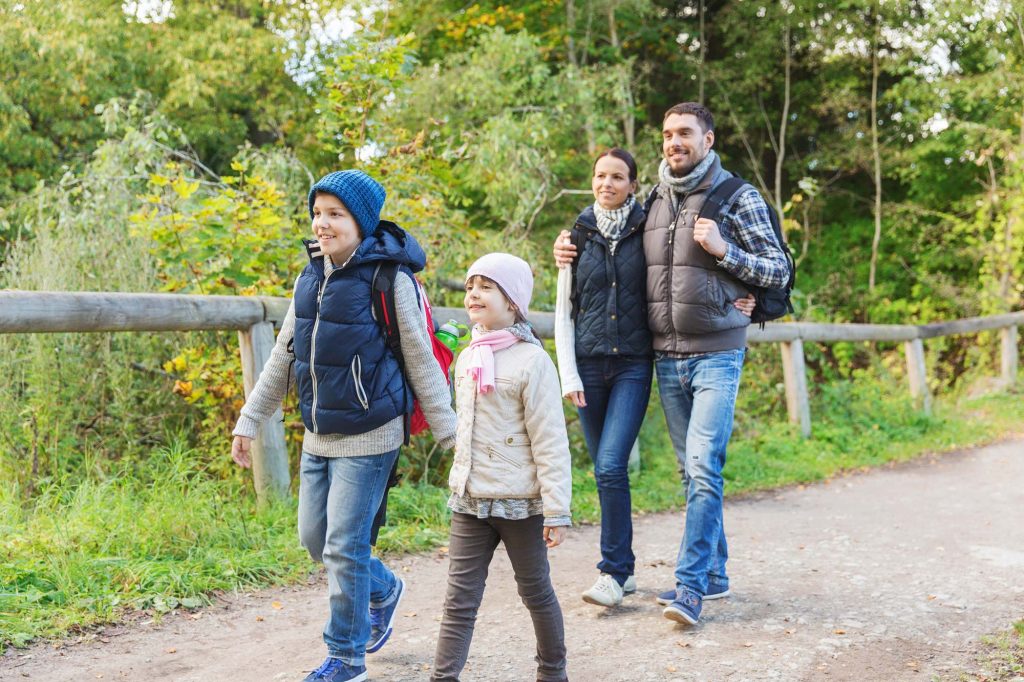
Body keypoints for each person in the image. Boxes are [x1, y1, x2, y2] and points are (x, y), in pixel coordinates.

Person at [554, 102, 790, 626]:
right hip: (666, 356)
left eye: (685, 132)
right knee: (692, 472)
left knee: (704, 467)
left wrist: (727, 251)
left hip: (717, 354)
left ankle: (689, 588)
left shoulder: (737, 195)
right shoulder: (655, 201)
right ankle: (717, 574)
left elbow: (778, 268)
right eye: (667, 134)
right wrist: (568, 247)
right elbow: (608, 246)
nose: (674, 141)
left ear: (708, 139)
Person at [231, 169, 457, 682]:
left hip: (372, 434)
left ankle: (346, 658)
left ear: (361, 220)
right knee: (316, 540)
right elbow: (283, 357)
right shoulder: (309, 278)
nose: (323, 223)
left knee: (344, 546)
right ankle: (383, 588)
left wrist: (451, 434)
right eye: (317, 213)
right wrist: (249, 419)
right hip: (319, 435)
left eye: (335, 214)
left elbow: (421, 358)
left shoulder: (389, 279)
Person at [432, 253, 572, 682]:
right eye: (471, 285)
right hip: (470, 500)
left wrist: (556, 509)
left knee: (535, 591)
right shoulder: (469, 355)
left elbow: (550, 439)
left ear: (512, 302)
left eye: (486, 287)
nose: (473, 293)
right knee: (459, 600)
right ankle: (443, 676)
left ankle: (553, 672)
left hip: (520, 502)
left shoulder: (532, 361)